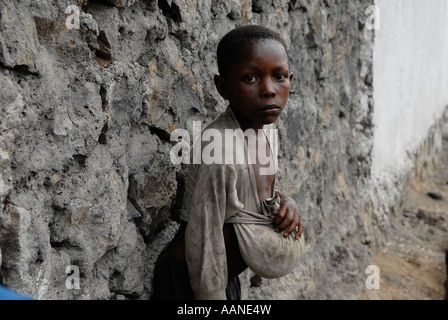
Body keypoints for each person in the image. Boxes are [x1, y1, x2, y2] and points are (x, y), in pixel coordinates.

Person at [153, 25, 305, 300]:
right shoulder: (220, 150)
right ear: (223, 87)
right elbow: (204, 234)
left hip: (222, 276)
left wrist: (285, 203)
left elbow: (253, 193)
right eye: (250, 78)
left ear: (290, 79)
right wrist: (211, 296)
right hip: (193, 281)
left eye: (279, 76)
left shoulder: (266, 128)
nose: (269, 90)